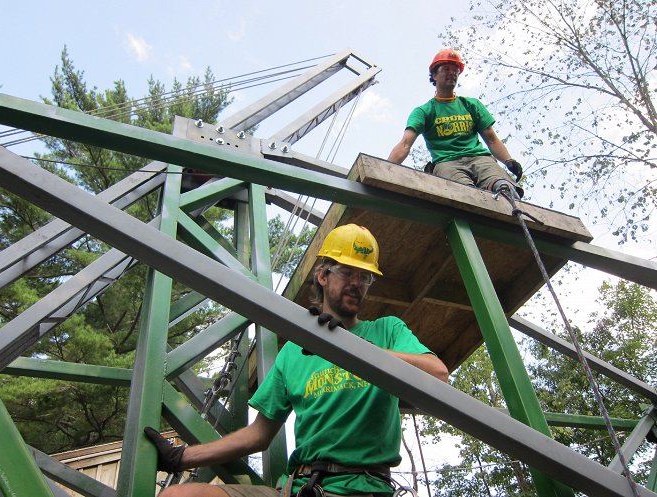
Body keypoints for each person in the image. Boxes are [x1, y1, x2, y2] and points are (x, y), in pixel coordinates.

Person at [145, 223, 449, 497]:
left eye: (366, 277)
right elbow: (259, 435)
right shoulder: (293, 351)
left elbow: (437, 374)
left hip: (359, 488)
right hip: (298, 487)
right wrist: (181, 458)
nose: (358, 283)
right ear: (322, 275)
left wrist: (353, 348)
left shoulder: (387, 330)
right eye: (347, 273)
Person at [387, 47, 524, 198]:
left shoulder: (471, 105)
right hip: (447, 163)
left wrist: (508, 160)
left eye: (456, 70)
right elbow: (405, 144)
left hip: (480, 159)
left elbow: (491, 139)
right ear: (434, 74)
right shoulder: (424, 111)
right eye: (446, 69)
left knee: (506, 190)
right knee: (465, 196)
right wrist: (386, 169)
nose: (452, 73)